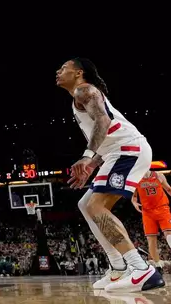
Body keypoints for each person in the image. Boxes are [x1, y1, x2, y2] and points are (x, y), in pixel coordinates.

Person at [58, 57, 165, 292]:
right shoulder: (80, 96)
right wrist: (91, 165)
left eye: (64, 68)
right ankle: (118, 267)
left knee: (97, 205)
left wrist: (87, 157)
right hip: (116, 152)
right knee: (85, 204)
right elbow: (107, 136)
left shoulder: (84, 90)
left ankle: (142, 270)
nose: (58, 71)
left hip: (129, 150)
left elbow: (103, 122)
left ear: (79, 72)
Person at [132, 169, 171, 274]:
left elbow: (168, 189)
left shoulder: (159, 175)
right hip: (147, 212)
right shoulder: (136, 178)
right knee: (151, 240)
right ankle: (158, 265)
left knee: (169, 233)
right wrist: (135, 203)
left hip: (162, 208)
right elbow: (134, 197)